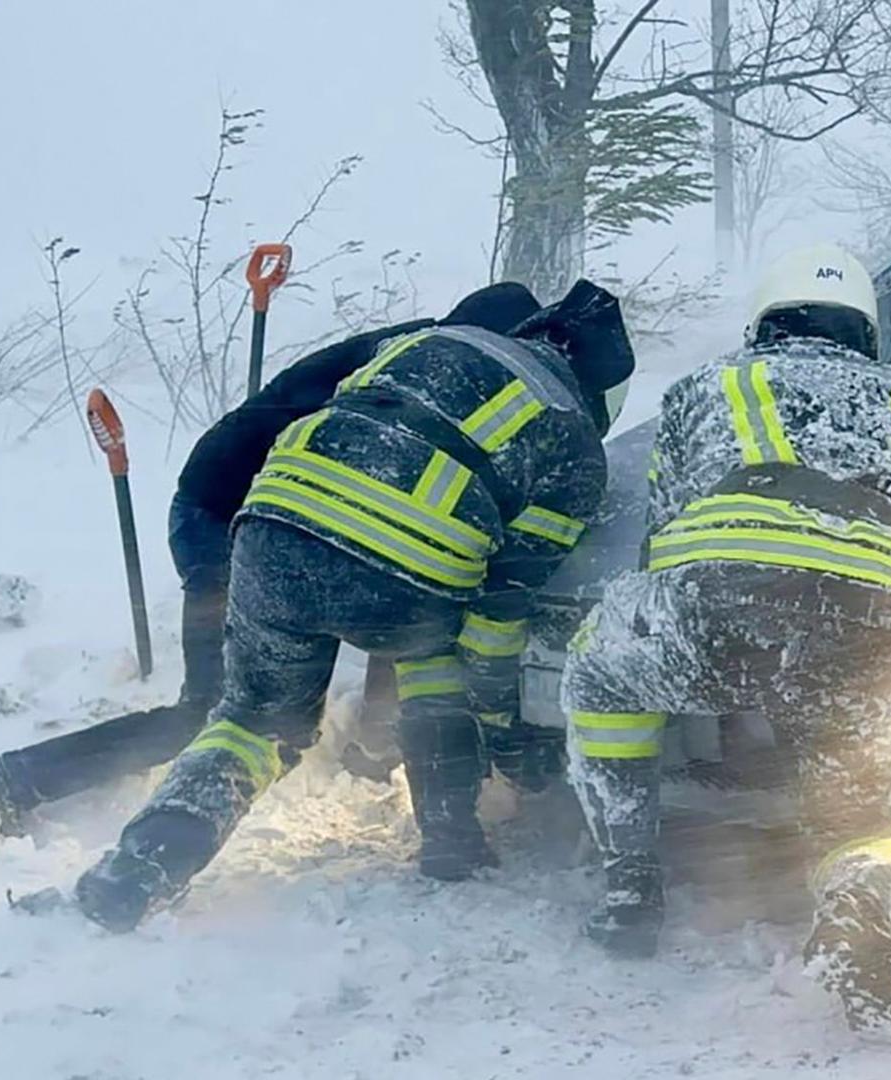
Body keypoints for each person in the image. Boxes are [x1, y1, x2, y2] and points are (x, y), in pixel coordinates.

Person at [70, 279, 635, 932]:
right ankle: (452, 842)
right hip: (401, 576)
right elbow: (499, 613)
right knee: (435, 657)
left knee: (254, 722)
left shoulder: (423, 343)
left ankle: (142, 866)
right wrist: (505, 729)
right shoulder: (572, 443)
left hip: (270, 534)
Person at [561, 243, 891, 1042]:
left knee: (601, 673)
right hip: (881, 621)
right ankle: (861, 909)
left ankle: (631, 883)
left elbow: (665, 535)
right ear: (865, 332)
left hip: (722, 597)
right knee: (877, 815)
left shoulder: (708, 387)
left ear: (763, 323)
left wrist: (710, 648)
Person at [0, 284, 546, 835]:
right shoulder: (432, 372)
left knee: (404, 590)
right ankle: (2, 780)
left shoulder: (425, 357)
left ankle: (370, 750)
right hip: (227, 520)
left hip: (290, 519)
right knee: (210, 712)